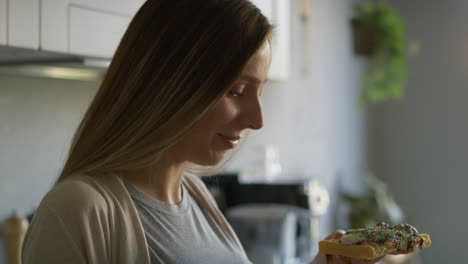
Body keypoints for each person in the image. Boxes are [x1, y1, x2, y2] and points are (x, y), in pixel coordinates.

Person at [21, 0, 383, 263]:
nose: (257, 120)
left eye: (260, 92)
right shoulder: (78, 211)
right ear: (170, 83)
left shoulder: (196, 195)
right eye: (237, 91)